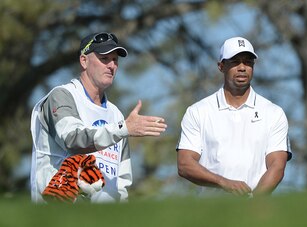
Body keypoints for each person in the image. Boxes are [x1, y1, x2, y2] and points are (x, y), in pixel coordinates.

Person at [30, 32, 167, 203]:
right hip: (59, 214)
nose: (111, 65)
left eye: (115, 60)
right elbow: (72, 139)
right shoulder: (62, 96)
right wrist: (124, 129)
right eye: (104, 58)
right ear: (84, 61)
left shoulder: (116, 114)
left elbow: (122, 180)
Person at [176, 37, 291, 198]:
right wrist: (225, 183)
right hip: (210, 212)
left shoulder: (273, 113)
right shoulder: (198, 111)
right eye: (235, 62)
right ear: (221, 66)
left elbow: (277, 166)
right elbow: (184, 164)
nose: (242, 68)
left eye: (248, 62)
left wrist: (253, 203)